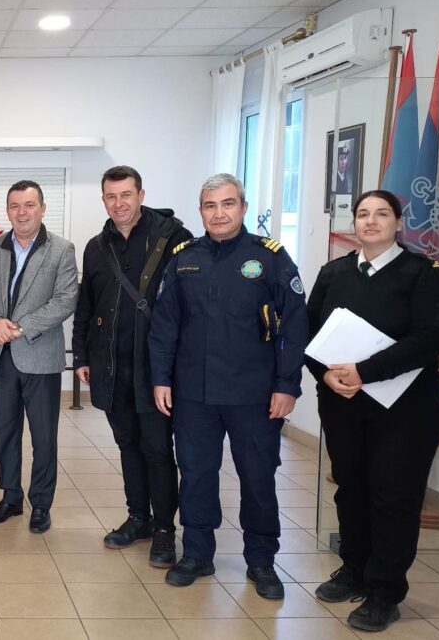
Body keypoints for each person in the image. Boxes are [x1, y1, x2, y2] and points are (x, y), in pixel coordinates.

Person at [149, 173, 308, 600]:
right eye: (210, 205)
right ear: (200, 211)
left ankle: (262, 561)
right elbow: (164, 326)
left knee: (257, 478)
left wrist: (287, 384)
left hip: (253, 395)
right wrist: (161, 378)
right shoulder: (184, 258)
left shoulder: (269, 258)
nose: (218, 213)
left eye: (227, 203)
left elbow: (294, 325)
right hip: (194, 394)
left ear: (243, 207)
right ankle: (197, 554)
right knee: (196, 475)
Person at [305, 190, 439, 633]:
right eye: (363, 213)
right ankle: (354, 569)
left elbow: (429, 339)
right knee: (351, 490)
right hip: (343, 403)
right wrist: (324, 374)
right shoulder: (333, 273)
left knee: (393, 497)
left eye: (382, 214)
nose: (370, 221)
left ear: (398, 223)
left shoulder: (424, 274)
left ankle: (385, 592)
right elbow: (308, 334)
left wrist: (364, 371)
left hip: (405, 409)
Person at [72, 166, 191, 564]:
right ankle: (139, 517)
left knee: (157, 448)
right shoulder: (96, 247)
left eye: (126, 194)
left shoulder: (173, 239)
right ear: (103, 200)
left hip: (155, 370)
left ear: (141, 194)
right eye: (111, 196)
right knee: (127, 445)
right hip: (111, 366)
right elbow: (86, 305)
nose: (119, 203)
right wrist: (81, 355)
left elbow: (187, 307)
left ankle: (164, 529)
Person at [0, 180, 77, 534]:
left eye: (29, 205)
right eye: (15, 206)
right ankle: (11, 497)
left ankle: (41, 503)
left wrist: (21, 327)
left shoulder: (61, 250)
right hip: (1, 355)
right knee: (6, 432)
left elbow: (65, 300)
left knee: (44, 437)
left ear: (42, 209)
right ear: (7, 211)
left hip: (40, 355)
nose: (22, 212)